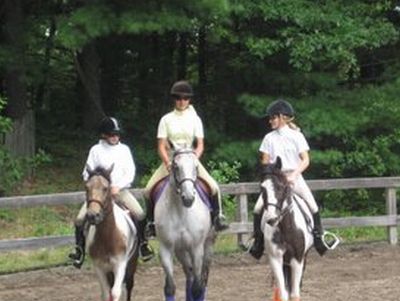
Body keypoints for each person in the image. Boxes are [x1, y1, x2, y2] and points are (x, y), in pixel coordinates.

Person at [248, 99, 339, 258]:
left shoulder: (297, 136)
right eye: (270, 118)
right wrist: (272, 174)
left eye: (272, 118)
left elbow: (305, 160)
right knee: (257, 208)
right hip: (276, 178)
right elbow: (265, 161)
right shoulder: (268, 138)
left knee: (312, 205)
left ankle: (319, 238)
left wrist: (294, 174)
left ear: (282, 117)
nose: (270, 121)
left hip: (294, 176)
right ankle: (258, 242)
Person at [68, 116, 154, 268]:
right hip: (99, 195)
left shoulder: (124, 150)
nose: (115, 137)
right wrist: (96, 187)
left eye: (117, 134)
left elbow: (130, 172)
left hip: (120, 191)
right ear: (104, 134)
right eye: (112, 134)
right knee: (80, 219)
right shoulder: (95, 150)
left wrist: (118, 186)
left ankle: (143, 246)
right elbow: (86, 173)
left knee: (140, 214)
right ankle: (79, 250)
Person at [144, 80, 228, 234]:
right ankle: (151, 223)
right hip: (172, 159)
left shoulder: (195, 119)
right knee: (148, 190)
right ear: (174, 99)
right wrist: (167, 162)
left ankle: (218, 217)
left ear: (189, 100)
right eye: (178, 98)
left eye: (185, 98)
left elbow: (200, 144)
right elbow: (161, 145)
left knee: (214, 187)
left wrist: (195, 157)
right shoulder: (166, 119)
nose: (182, 101)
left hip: (190, 159)